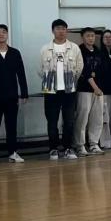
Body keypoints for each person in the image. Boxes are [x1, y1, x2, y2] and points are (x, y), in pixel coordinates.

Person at [0, 24, 29, 164]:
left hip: (11, 95)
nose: (1, 34)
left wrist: (24, 93)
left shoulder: (15, 53)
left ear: (7, 35)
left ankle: (12, 152)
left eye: (4, 32)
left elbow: (21, 73)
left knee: (11, 125)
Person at [41, 19, 83, 161]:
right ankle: (53, 149)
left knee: (69, 121)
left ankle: (68, 148)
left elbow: (79, 67)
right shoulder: (45, 48)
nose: (61, 31)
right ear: (53, 31)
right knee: (52, 121)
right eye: (58, 28)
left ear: (67, 30)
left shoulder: (74, 48)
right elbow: (40, 69)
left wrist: (71, 80)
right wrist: (50, 80)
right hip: (50, 89)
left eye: (63, 28)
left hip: (69, 89)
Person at [75, 28, 105, 156]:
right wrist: (94, 86)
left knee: (97, 117)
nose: (91, 38)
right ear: (82, 37)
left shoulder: (98, 51)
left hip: (99, 90)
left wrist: (100, 88)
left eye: (92, 36)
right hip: (84, 89)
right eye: (88, 36)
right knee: (82, 117)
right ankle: (80, 145)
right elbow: (84, 71)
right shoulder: (79, 50)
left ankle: (94, 143)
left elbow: (102, 70)